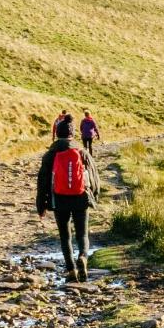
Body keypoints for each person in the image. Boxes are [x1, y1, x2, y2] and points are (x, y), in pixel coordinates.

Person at [37, 119, 100, 282]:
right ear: (72, 134)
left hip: (59, 200)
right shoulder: (81, 151)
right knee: (82, 234)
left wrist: (41, 205)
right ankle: (83, 257)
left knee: (65, 236)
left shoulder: (50, 154)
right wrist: (94, 195)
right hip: (80, 198)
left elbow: (42, 181)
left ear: (57, 134)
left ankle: (71, 270)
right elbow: (93, 175)